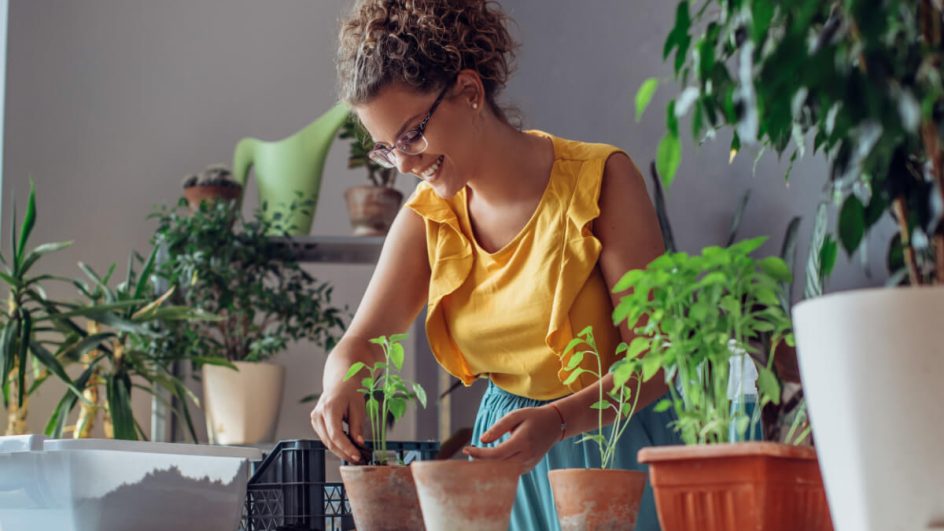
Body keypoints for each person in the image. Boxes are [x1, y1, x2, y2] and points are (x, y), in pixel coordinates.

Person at [310, 1, 679, 529]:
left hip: (615, 452)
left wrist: (557, 420)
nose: (404, 164)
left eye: (412, 134)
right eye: (385, 150)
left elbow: (658, 360)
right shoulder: (426, 219)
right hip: (507, 463)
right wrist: (338, 383)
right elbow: (364, 340)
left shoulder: (601, 180)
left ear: (469, 92)